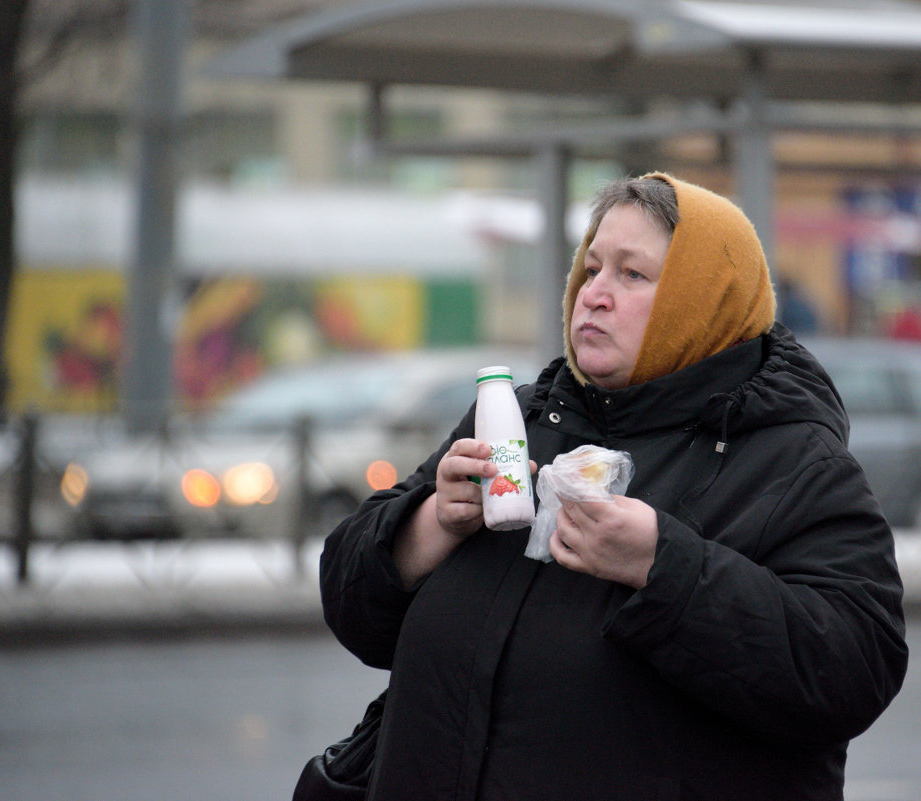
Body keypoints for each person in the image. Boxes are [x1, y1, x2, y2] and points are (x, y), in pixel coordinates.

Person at [320, 173, 908, 800]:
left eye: (632, 275)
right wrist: (429, 524)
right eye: (592, 267)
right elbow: (352, 612)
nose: (594, 294)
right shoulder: (520, 420)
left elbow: (852, 673)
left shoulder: (792, 459)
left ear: (703, 300)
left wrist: (666, 567)